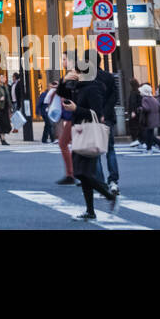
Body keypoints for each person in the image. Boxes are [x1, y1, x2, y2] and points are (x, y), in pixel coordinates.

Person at [58, 71, 116, 221]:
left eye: (76, 71)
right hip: (80, 133)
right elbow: (61, 92)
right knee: (81, 174)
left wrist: (76, 109)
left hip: (88, 135)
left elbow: (97, 113)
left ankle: (108, 196)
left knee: (82, 174)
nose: (74, 74)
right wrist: (64, 80)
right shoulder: (78, 87)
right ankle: (91, 210)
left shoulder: (93, 88)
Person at [137, 84, 160, 153]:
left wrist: (140, 109)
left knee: (148, 134)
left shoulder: (145, 99)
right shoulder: (153, 99)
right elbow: (159, 107)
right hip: (155, 119)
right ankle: (154, 145)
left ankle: (153, 145)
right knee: (150, 133)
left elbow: (146, 108)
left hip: (148, 119)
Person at [39, 79, 61, 144]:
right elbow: (45, 101)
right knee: (53, 124)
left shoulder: (52, 91)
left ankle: (51, 138)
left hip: (52, 110)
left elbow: (46, 101)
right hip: (53, 110)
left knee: (50, 125)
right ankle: (54, 138)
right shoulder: (53, 91)